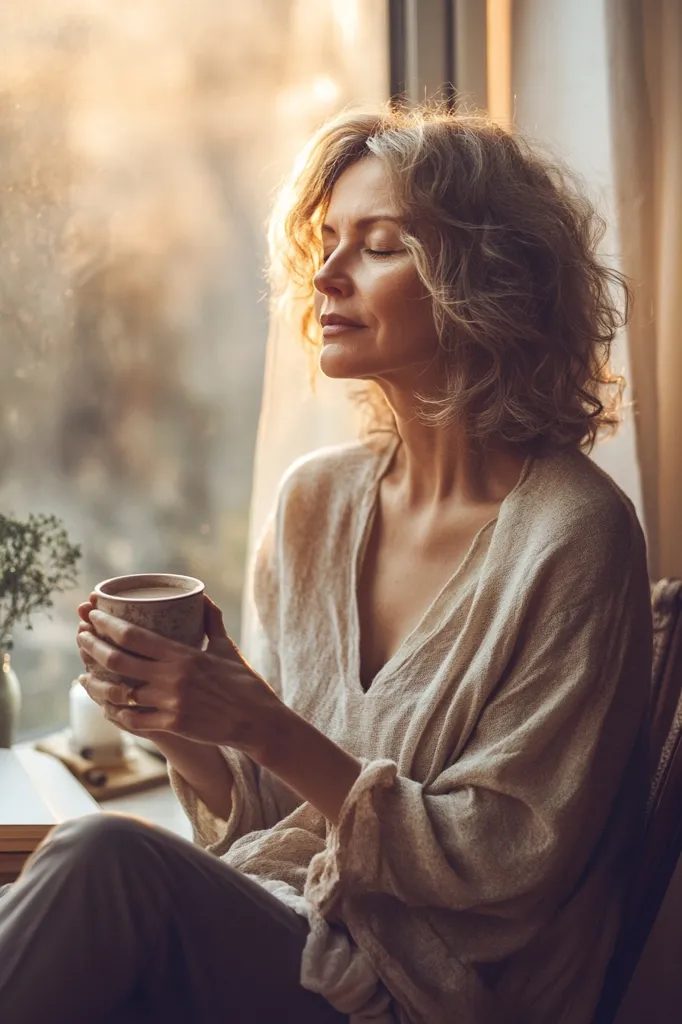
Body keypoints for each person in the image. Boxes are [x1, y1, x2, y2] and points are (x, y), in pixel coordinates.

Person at [0, 105, 652, 1024]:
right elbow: (276, 820)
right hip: (289, 929)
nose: (329, 275)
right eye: (328, 240)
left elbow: (506, 853)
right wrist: (185, 718)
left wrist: (266, 727)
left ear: (485, 283)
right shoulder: (315, 502)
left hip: (430, 993)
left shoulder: (576, 535)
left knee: (101, 862)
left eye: (379, 245)